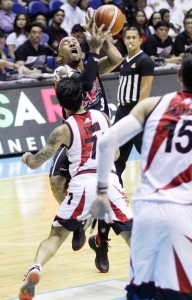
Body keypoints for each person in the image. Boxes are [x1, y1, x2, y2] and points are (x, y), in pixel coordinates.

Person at [82, 51, 192, 300]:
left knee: (141, 291)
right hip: (185, 212)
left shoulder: (150, 105)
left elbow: (106, 143)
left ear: (178, 75)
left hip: (147, 209)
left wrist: (101, 194)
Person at [19, 76, 133, 300]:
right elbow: (117, 153)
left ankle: (36, 268)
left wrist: (26, 158)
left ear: (61, 104)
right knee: (132, 234)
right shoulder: (103, 117)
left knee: (56, 236)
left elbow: (36, 162)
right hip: (109, 182)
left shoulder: (63, 130)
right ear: (83, 96)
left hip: (82, 186)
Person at [50, 12, 124, 273]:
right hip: (75, 137)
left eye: (75, 41)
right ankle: (78, 222)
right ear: (61, 56)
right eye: (66, 44)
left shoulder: (93, 65)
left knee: (106, 197)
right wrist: (92, 52)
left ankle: (101, 245)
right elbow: (81, 85)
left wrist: (103, 39)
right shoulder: (62, 71)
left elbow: (116, 59)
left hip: (102, 137)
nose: (73, 44)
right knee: (56, 180)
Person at [114, 25, 154, 186]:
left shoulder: (145, 60)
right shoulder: (125, 61)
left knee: (146, 154)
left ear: (140, 40)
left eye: (133, 37)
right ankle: (116, 191)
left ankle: (158, 187)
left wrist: (137, 116)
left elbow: (145, 90)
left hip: (134, 112)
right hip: (121, 111)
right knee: (117, 155)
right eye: (127, 37)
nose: (130, 40)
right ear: (123, 40)